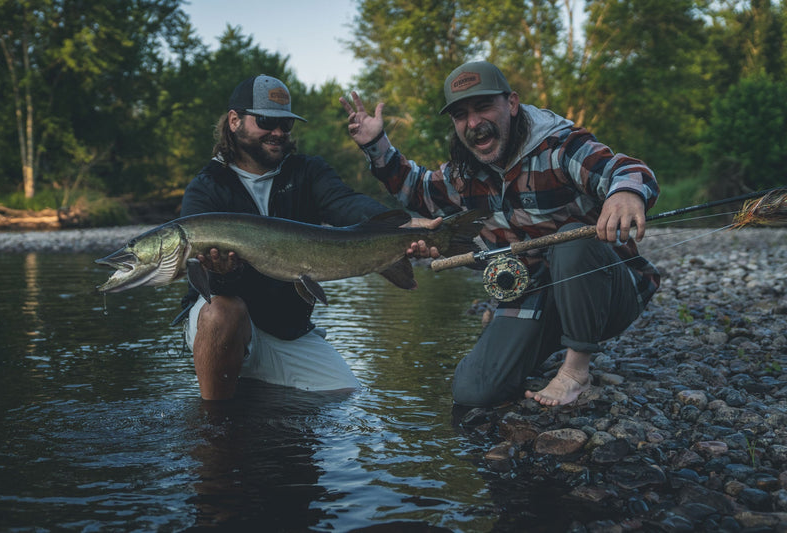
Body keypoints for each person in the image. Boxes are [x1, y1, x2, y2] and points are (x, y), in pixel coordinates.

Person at [340, 61, 660, 408]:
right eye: (461, 115)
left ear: (511, 103)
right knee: (473, 393)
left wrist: (625, 192)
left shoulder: (560, 146)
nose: (474, 123)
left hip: (610, 292)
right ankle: (545, 339)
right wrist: (375, 143)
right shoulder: (463, 175)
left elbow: (624, 168)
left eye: (482, 107)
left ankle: (575, 370)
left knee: (572, 240)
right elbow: (415, 189)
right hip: (533, 291)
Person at [180, 74, 439, 401]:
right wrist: (223, 272)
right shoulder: (205, 187)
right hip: (223, 322)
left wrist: (402, 228)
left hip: (288, 330)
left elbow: (345, 204)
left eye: (285, 124)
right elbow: (201, 281)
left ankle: (252, 382)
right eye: (266, 121)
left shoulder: (307, 171)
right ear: (234, 121)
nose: (277, 132)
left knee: (346, 395)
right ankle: (215, 422)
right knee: (222, 313)